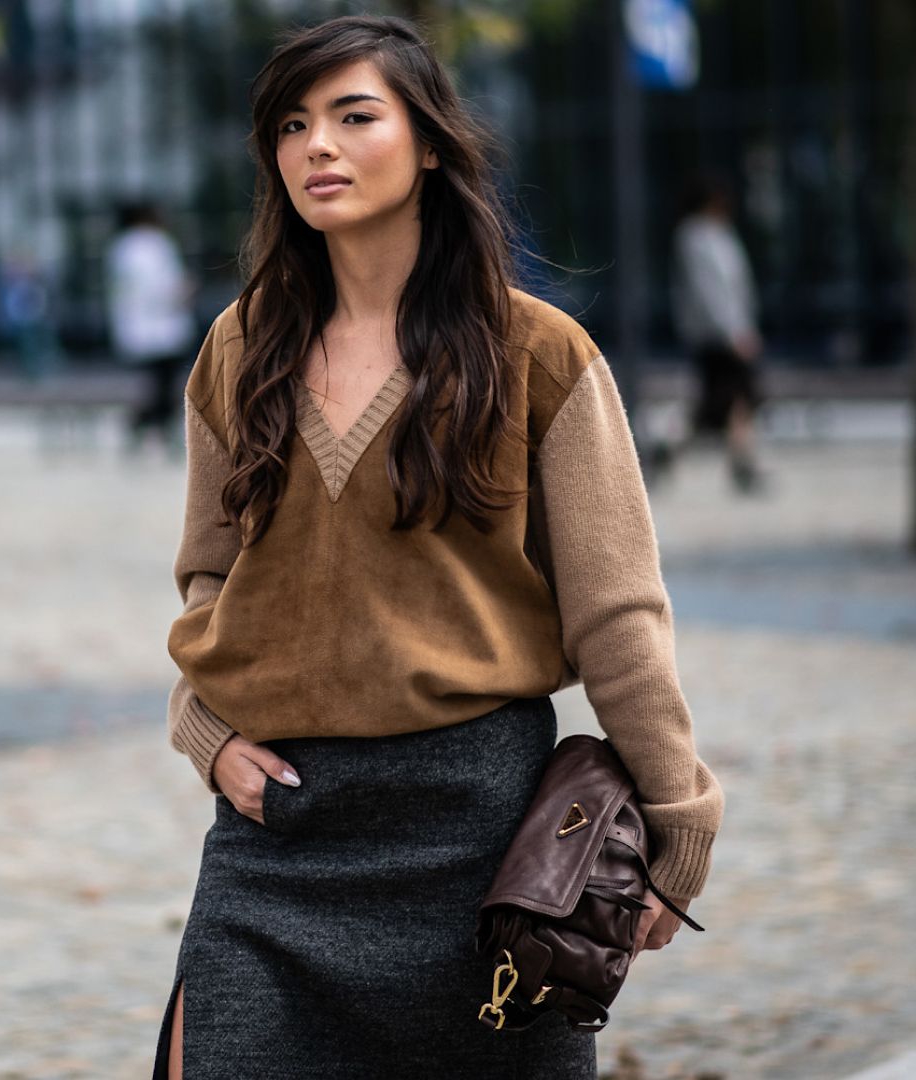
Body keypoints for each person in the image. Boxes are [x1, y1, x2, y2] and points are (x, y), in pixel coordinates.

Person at [154, 16, 724, 1080]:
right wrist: (208, 734)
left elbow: (617, 614)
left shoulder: (540, 354)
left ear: (427, 144)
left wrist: (677, 820)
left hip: (488, 851)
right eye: (291, 124)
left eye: (352, 116)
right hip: (277, 837)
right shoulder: (241, 348)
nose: (316, 144)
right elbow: (209, 578)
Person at [669, 173, 767, 493]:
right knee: (718, 404)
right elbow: (709, 291)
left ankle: (743, 463)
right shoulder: (694, 237)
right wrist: (733, 333)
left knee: (736, 399)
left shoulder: (719, 234)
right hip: (717, 337)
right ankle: (669, 447)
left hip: (731, 332)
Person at [105, 200, 196, 450]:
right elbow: (163, 286)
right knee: (166, 385)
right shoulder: (153, 244)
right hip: (162, 328)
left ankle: (148, 426)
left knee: (158, 384)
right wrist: (183, 292)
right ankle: (147, 425)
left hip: (138, 328)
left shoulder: (121, 247)